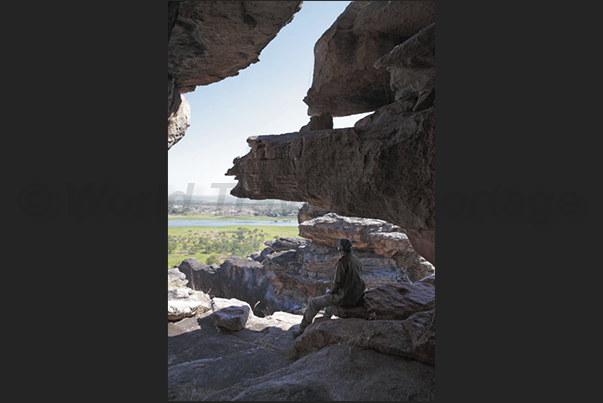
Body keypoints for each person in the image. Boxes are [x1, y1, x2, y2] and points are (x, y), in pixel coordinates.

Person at [293, 238, 366, 338]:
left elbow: (337, 283)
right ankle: (326, 318)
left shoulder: (342, 262)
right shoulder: (357, 262)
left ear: (339, 249)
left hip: (345, 297)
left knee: (314, 302)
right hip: (357, 297)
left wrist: (330, 292)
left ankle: (302, 329)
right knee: (330, 295)